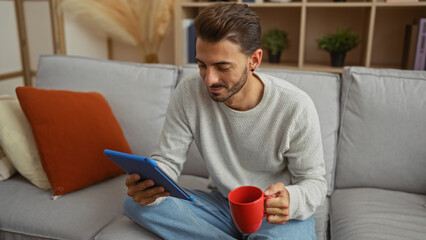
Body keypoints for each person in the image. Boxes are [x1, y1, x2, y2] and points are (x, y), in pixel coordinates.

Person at [123, 3, 326, 239]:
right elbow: (168, 160)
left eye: (222, 67)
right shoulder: (189, 92)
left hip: (272, 213)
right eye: (202, 65)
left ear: (254, 60)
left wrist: (293, 200)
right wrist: (152, 186)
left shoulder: (296, 106)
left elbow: (314, 182)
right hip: (223, 205)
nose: (209, 79)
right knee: (136, 205)